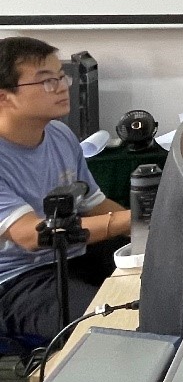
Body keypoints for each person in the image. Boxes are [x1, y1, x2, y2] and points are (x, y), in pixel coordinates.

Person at [0, 36, 131, 342]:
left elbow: (94, 205)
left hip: (74, 258)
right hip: (17, 280)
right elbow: (32, 235)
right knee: (114, 326)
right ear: (4, 97)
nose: (61, 87)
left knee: (164, 275)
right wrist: (131, 220)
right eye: (47, 81)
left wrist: (148, 226)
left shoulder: (59, 134)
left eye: (61, 77)